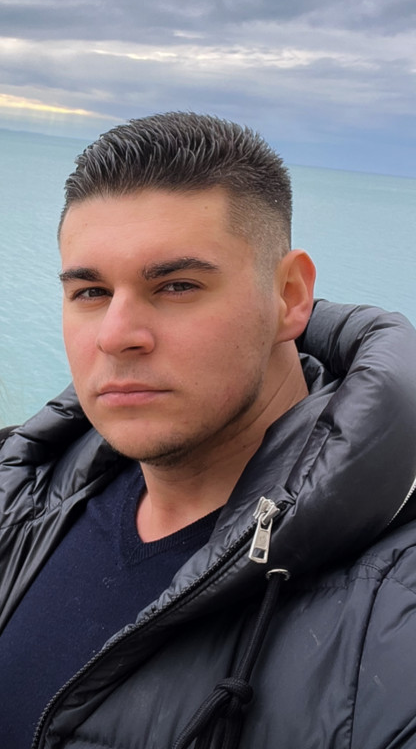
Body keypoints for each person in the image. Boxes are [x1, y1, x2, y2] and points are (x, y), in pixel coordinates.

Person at [1, 112, 416, 749]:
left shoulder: (394, 611)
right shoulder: (24, 485)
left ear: (290, 296)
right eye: (90, 292)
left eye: (177, 286)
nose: (115, 335)